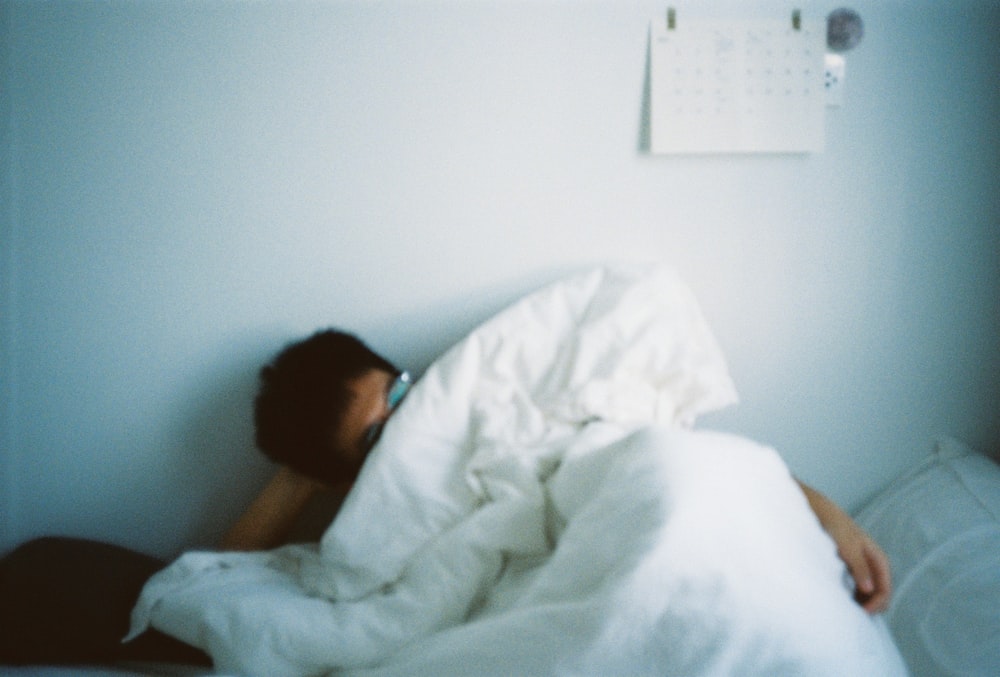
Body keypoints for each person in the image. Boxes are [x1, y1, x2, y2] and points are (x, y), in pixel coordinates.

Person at [0, 329, 892, 667]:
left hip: (655, 500)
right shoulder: (374, 530)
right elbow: (225, 580)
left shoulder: (508, 390)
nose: (413, 417)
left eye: (403, 388)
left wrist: (820, 508)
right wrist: (309, 472)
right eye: (377, 434)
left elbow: (676, 457)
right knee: (42, 571)